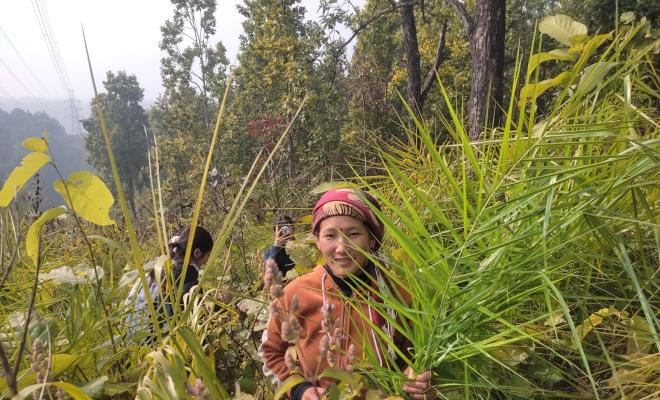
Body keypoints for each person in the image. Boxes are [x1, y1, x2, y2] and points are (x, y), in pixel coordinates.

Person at [259, 189, 434, 400]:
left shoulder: (399, 295)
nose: (341, 248)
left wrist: (421, 384)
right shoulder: (295, 294)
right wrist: (300, 391)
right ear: (317, 239)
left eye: (353, 234)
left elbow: (418, 360)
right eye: (330, 236)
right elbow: (270, 352)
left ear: (371, 240)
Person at [125, 225, 214, 335]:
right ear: (197, 253)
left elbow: (130, 304)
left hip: (131, 335)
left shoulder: (154, 269)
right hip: (156, 344)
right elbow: (196, 324)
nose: (207, 261)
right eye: (207, 256)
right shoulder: (190, 284)